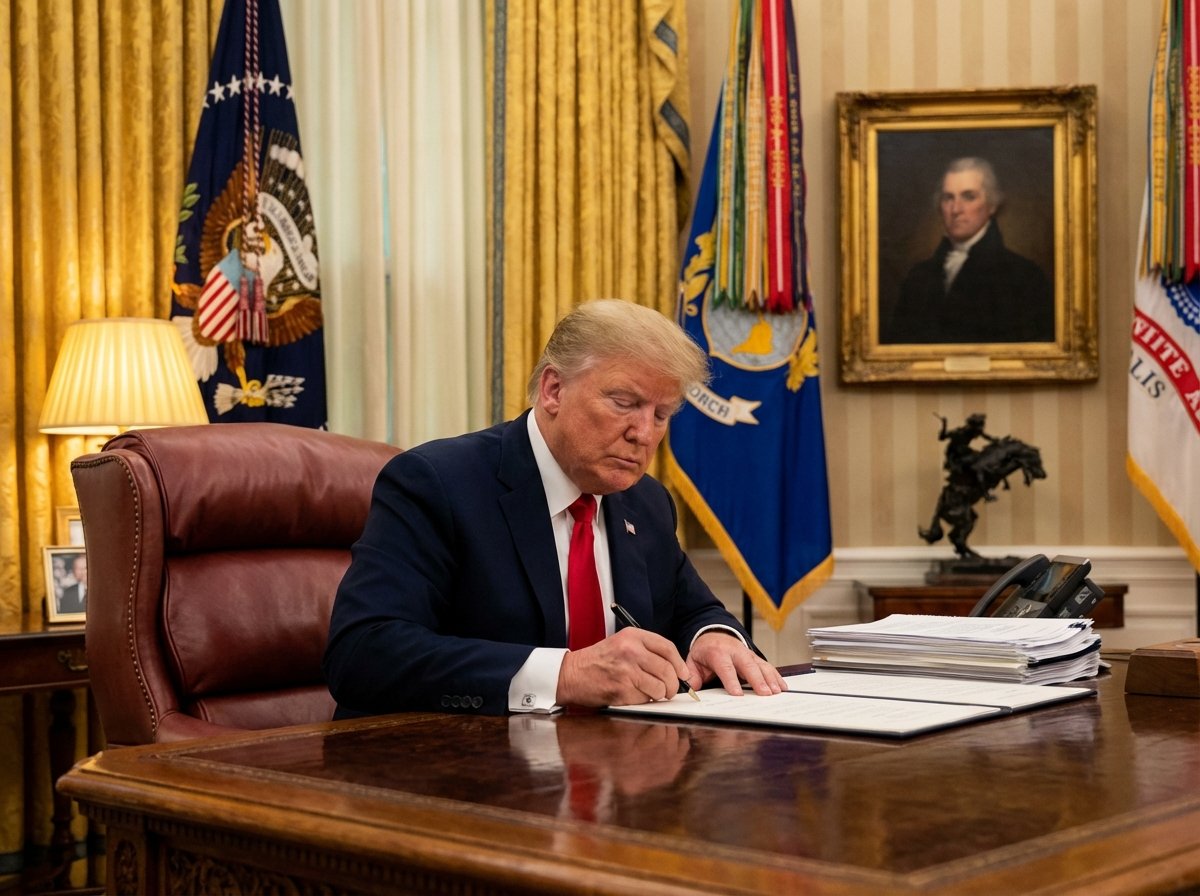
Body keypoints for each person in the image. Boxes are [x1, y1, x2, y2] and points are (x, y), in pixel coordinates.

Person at [324, 299, 786, 717]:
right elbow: (364, 652)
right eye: (624, 403)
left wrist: (715, 638)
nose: (644, 434)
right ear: (553, 391)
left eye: (661, 415)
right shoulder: (437, 483)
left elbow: (694, 611)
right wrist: (564, 675)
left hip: (613, 774)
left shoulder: (644, 502)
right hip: (454, 779)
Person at [883, 157, 1054, 345]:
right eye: (948, 198)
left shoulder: (1024, 276)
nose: (956, 209)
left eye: (969, 196)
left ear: (992, 204)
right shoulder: (918, 276)